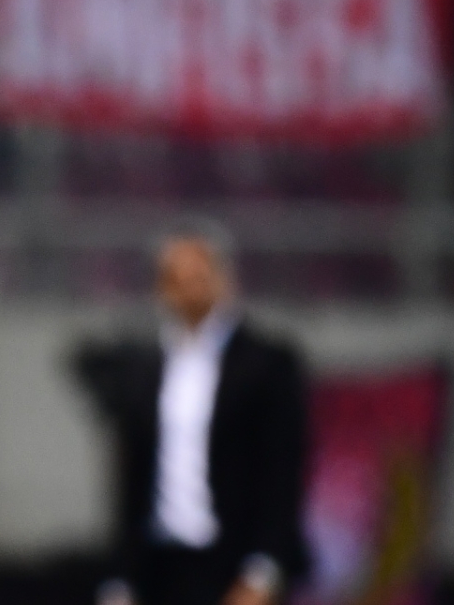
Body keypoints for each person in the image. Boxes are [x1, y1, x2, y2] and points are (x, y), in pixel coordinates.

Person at [77, 222, 309, 605]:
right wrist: (120, 579)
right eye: (177, 279)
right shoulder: (144, 369)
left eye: (199, 276)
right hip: (161, 565)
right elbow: (131, 480)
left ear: (224, 280)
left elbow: (283, 472)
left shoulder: (266, 363)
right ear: (161, 287)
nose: (190, 288)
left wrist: (264, 569)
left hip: (233, 560)